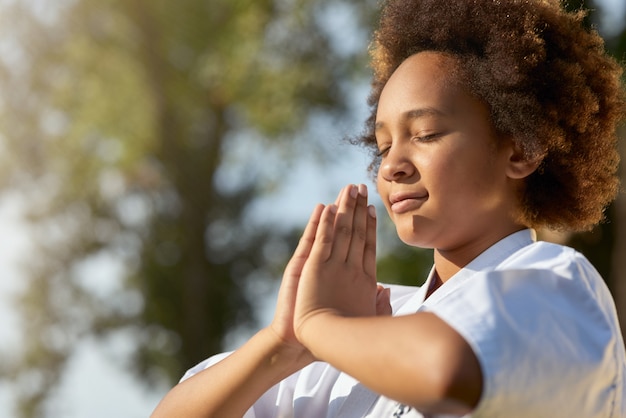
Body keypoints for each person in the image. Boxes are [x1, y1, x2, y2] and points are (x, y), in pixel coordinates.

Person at [151, 0, 626, 416]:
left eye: (425, 134)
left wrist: (321, 326)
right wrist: (282, 345)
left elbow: (447, 371)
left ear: (520, 149)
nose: (392, 166)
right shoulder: (360, 322)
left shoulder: (556, 284)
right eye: (381, 146)